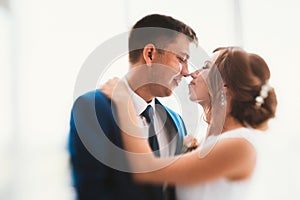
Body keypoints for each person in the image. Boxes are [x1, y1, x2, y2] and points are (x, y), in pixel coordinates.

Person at [100, 47, 277, 200]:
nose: (191, 73)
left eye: (206, 67)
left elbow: (146, 170)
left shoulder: (240, 145)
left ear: (224, 86)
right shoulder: (208, 143)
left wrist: (124, 101)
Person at [68, 14, 198, 200]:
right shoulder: (92, 109)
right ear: (150, 54)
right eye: (181, 59)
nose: (186, 72)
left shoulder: (176, 122)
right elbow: (91, 193)